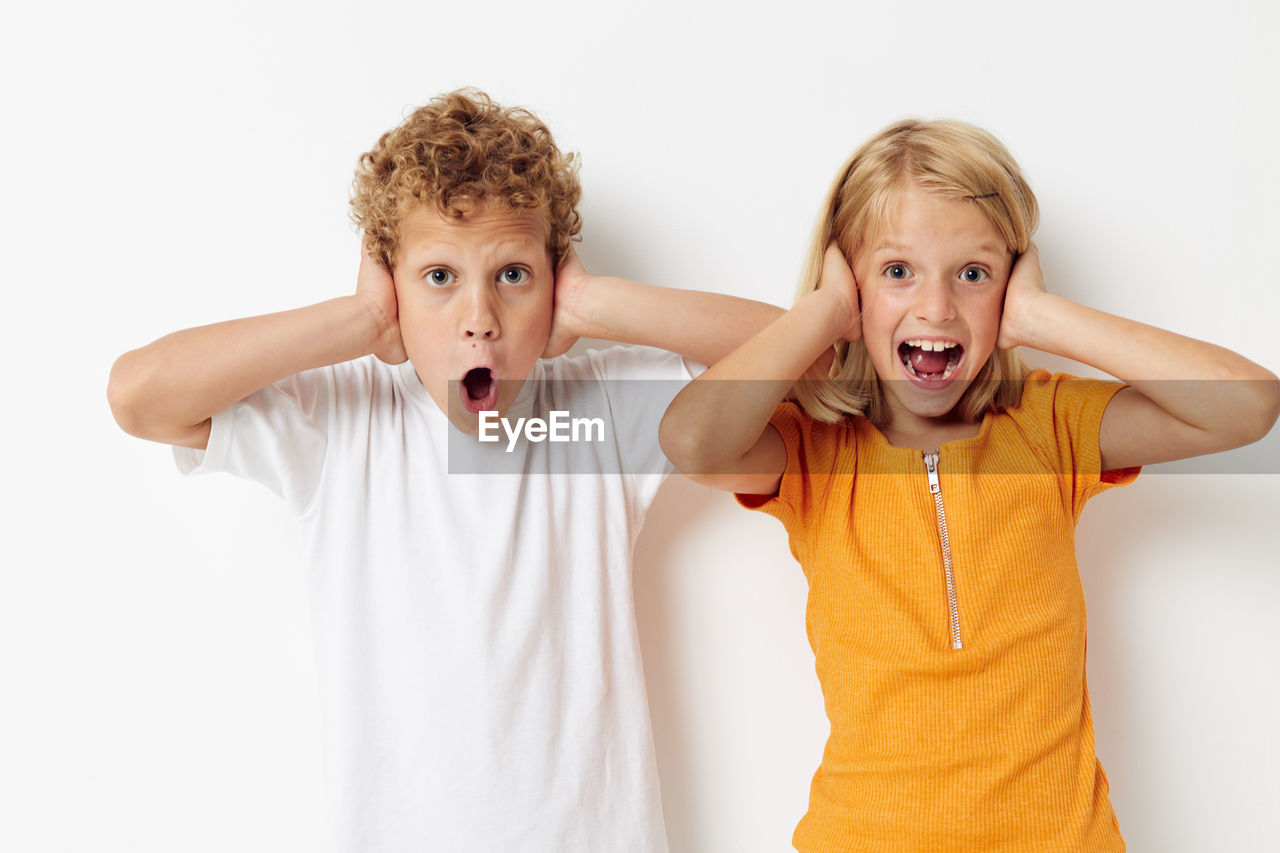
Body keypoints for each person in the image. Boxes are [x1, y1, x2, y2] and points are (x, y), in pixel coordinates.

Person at [107, 89, 780, 853]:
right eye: (437, 277)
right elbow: (139, 396)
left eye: (514, 275)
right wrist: (361, 322)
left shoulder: (596, 413)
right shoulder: (341, 425)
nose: (479, 316)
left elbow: (809, 358)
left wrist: (595, 302)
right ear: (391, 284)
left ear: (554, 281)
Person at [658, 119, 1280, 852]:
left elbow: (1248, 403)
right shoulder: (817, 455)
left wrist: (1045, 319)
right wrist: (822, 316)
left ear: (1011, 284)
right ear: (850, 286)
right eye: (896, 272)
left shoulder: (1050, 427)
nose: (936, 307)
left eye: (973, 273)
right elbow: (691, 440)